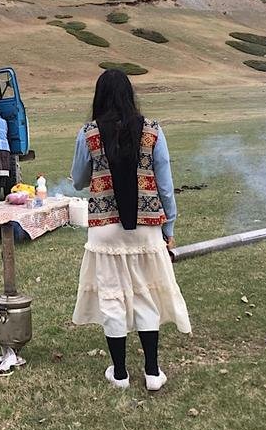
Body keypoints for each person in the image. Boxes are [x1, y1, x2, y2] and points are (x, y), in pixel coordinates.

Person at [69, 70, 191, 391]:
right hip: (146, 226)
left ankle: (120, 374)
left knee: (112, 297)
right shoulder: (152, 131)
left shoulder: (89, 133)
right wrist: (169, 226)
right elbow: (165, 186)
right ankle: (152, 372)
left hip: (105, 227)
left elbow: (79, 180)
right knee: (145, 295)